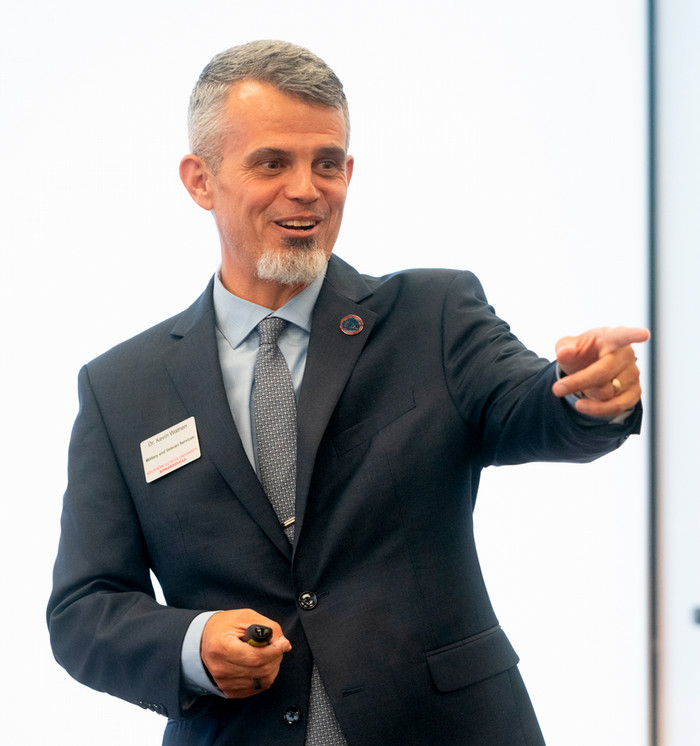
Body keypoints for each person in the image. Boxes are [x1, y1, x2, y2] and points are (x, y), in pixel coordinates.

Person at [47, 40, 649, 746]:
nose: (307, 188)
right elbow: (84, 611)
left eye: (327, 163)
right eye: (273, 162)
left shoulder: (433, 314)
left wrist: (584, 394)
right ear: (200, 180)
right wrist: (192, 643)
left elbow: (525, 404)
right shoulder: (122, 387)